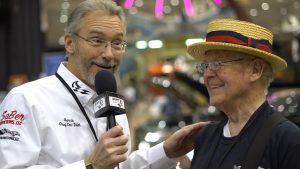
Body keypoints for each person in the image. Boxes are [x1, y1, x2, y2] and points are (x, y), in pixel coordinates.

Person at [0, 0, 209, 168]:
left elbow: (120, 166)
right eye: (97, 41)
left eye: (117, 43)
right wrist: (91, 166)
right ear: (70, 43)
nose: (109, 54)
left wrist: (165, 151)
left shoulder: (111, 102)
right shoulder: (26, 99)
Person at [187, 18, 300, 169]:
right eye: (206, 65)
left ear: (255, 70)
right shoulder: (205, 137)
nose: (207, 74)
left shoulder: (287, 139)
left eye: (218, 63)